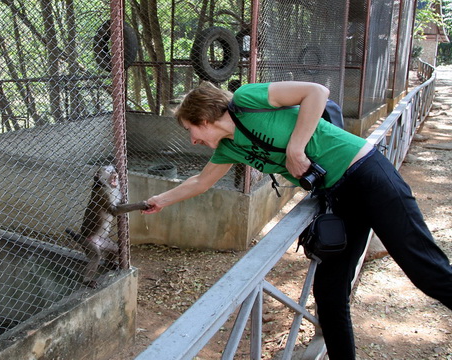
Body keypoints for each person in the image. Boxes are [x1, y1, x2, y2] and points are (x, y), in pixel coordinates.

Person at [141, 81, 452, 359]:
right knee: (329, 293)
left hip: (367, 174)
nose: (192, 140)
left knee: (426, 272)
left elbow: (316, 92)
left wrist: (296, 146)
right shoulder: (229, 147)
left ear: (204, 119)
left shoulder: (247, 99)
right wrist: (160, 201)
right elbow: (201, 182)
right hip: (338, 195)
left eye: (190, 130)